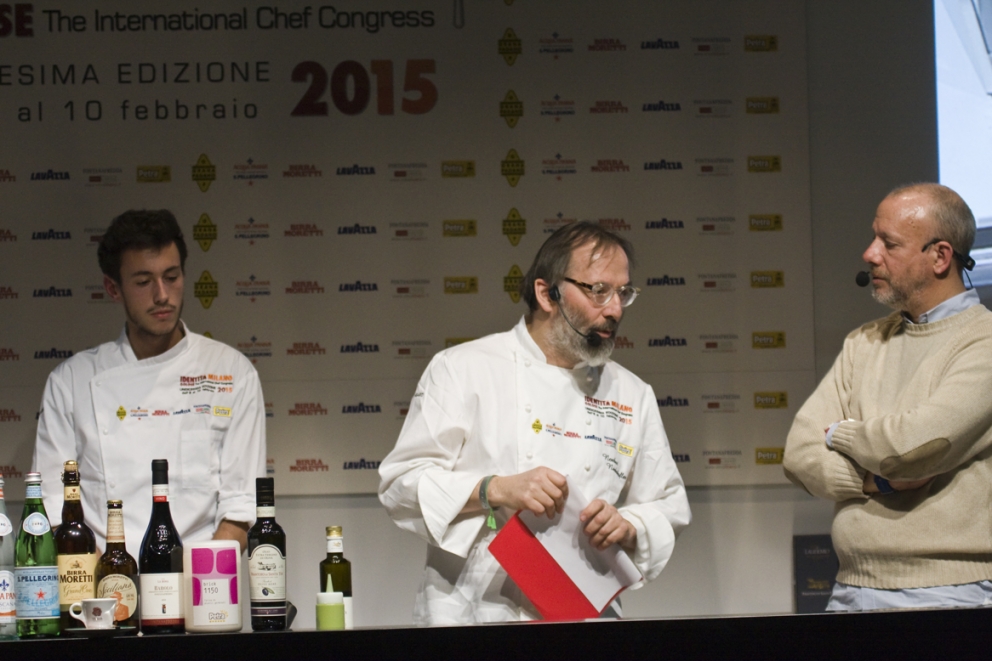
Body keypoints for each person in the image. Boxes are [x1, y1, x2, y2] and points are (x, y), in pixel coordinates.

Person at [378, 221, 691, 624]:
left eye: (623, 293)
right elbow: (400, 484)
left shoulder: (631, 393)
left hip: (582, 617)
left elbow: (669, 504)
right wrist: (495, 489)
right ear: (546, 293)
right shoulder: (464, 369)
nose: (614, 309)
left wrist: (628, 526)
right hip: (471, 615)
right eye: (599, 291)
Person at [783, 183, 992, 611]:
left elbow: (910, 449)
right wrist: (874, 480)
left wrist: (840, 433)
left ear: (940, 257)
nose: (869, 253)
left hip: (949, 593)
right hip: (848, 590)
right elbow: (799, 454)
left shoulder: (983, 342)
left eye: (888, 243)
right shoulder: (863, 342)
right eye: (874, 238)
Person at [32, 209, 266, 552]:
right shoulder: (70, 382)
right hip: (102, 578)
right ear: (113, 288)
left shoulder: (232, 373)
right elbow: (53, 510)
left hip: (201, 578)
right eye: (143, 282)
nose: (162, 295)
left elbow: (240, 511)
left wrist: (197, 579)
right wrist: (111, 576)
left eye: (171, 277)